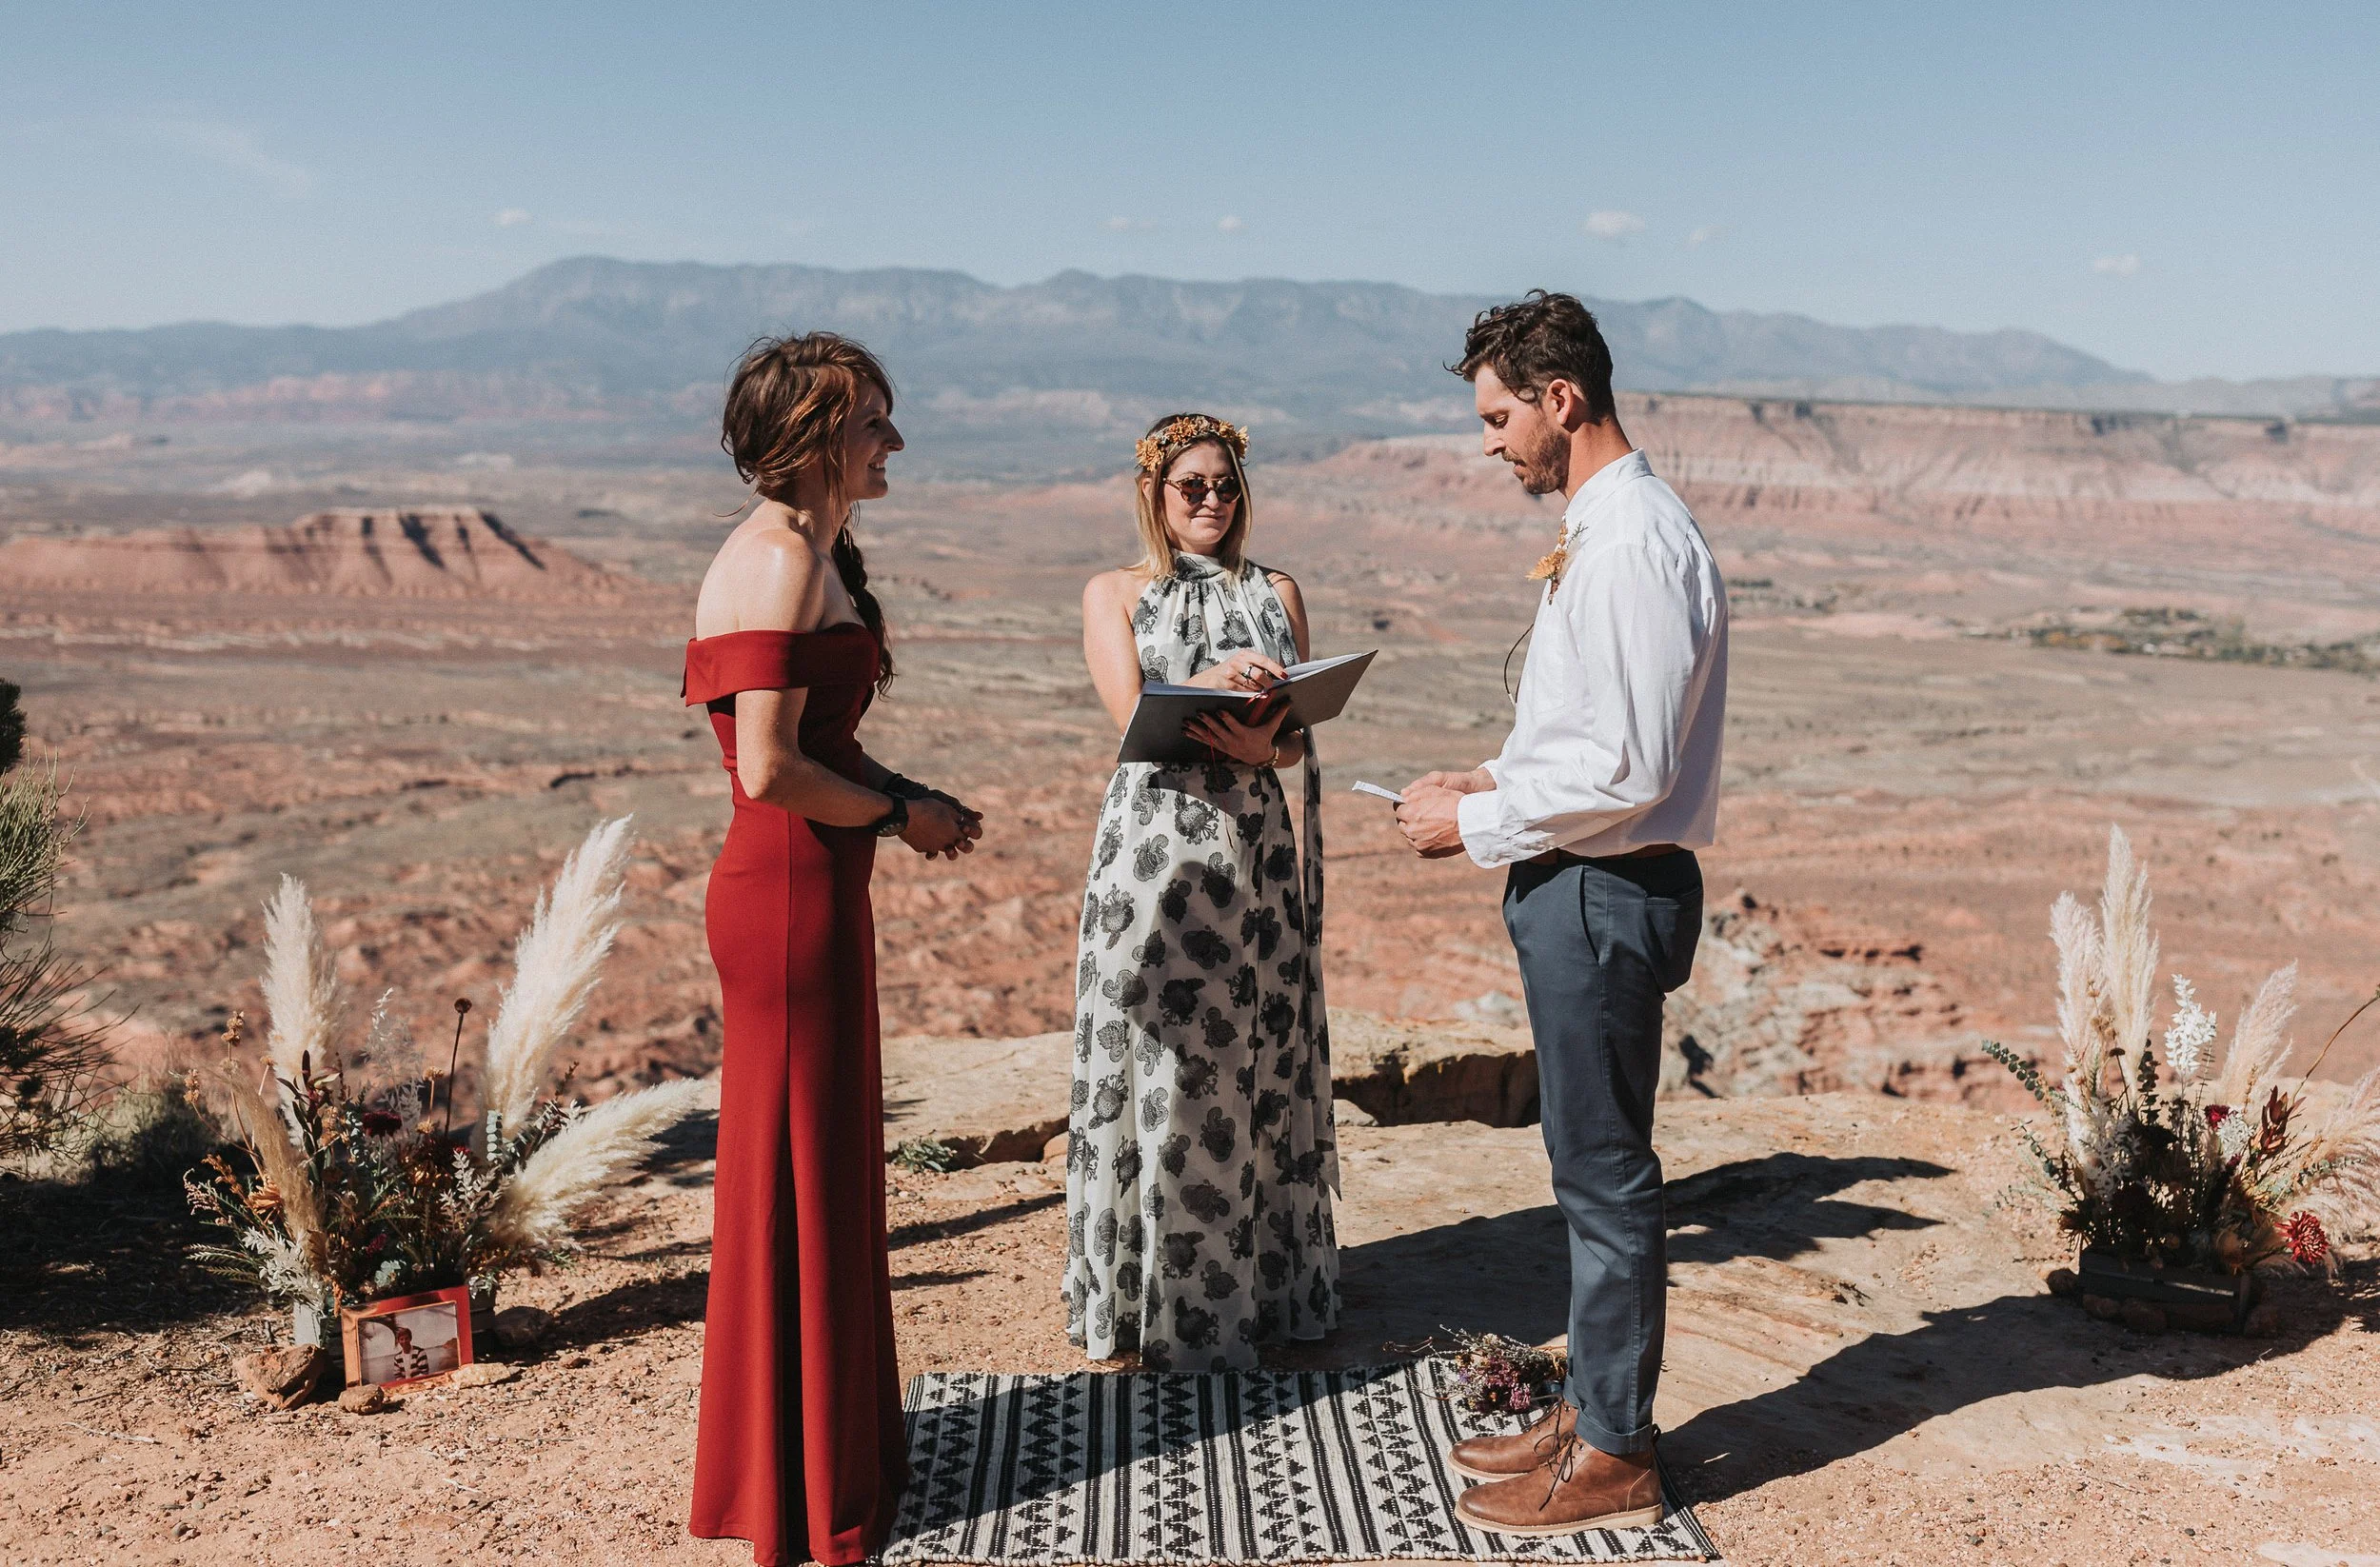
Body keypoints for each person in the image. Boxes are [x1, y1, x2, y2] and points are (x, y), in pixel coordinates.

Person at [1394, 292, 1728, 1535]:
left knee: (1603, 1178)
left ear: (1561, 400)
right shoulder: (1603, 527)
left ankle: (1620, 1448)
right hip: (1578, 880)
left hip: (1602, 891)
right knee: (1584, 1168)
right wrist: (1491, 777)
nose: (1490, 443)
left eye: (1497, 417)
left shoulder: (1633, 541)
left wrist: (1474, 828)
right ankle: (1590, 1413)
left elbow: (1631, 771)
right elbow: (1588, 733)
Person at [685, 332, 982, 1567]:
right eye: (873, 421)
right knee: (798, 1177)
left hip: (814, 889)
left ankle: (824, 1452)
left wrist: (904, 796)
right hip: (789, 897)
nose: (893, 442)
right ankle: (804, 1490)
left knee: (821, 1171)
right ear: (816, 431)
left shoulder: (805, 551)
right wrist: (898, 815)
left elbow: (821, 746)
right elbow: (767, 768)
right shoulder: (771, 562)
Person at [1062, 412, 1339, 1371]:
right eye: (1193, 486)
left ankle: (1250, 1293)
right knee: (1162, 1061)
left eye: (1226, 484)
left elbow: (1298, 731)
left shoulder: (1278, 589)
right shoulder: (1111, 592)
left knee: (1253, 1058)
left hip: (1253, 852)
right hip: (1156, 857)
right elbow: (1130, 715)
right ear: (1154, 492)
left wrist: (1274, 743)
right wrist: (1210, 678)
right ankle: (1149, 1299)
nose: (1214, 500)